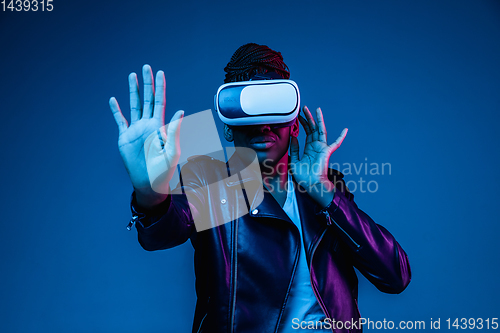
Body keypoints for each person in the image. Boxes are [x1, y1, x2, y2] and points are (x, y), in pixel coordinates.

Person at [109, 43, 411, 333]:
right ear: (228, 125)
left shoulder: (329, 187)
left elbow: (395, 276)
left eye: (274, 108)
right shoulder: (210, 180)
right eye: (247, 110)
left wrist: (324, 193)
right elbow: (161, 232)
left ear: (293, 123)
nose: (263, 124)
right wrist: (150, 189)